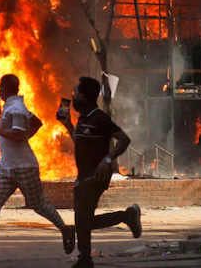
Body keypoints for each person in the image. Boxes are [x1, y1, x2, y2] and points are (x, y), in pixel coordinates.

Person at [0, 74, 76, 262]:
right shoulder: (13, 106)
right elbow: (37, 123)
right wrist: (25, 137)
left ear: (5, 90)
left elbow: (16, 135)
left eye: (0, 89)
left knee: (38, 204)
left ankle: (66, 229)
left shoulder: (17, 109)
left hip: (24, 167)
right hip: (6, 167)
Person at [58, 76, 142, 268]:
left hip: (96, 176)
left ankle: (85, 260)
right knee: (83, 221)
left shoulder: (100, 118)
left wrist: (107, 159)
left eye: (77, 93)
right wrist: (68, 126)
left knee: (82, 219)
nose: (74, 95)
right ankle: (126, 216)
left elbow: (123, 139)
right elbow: (81, 142)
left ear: (86, 97)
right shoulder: (82, 120)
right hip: (82, 176)